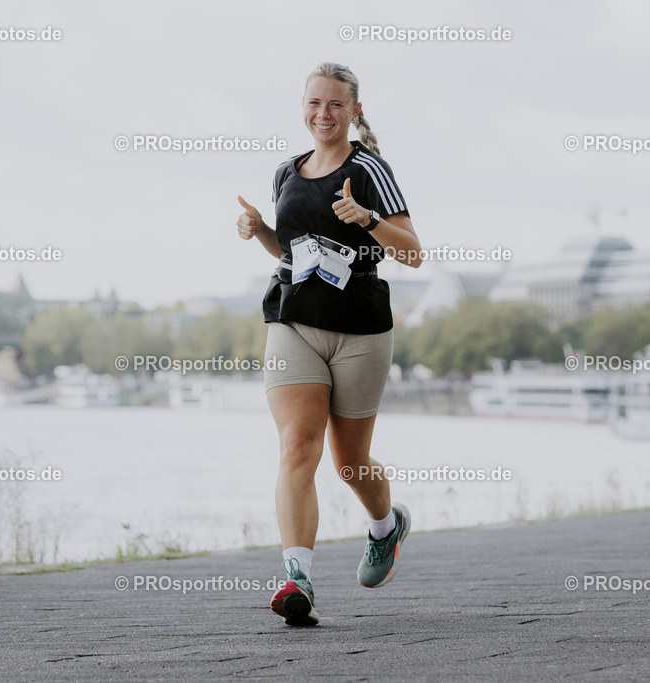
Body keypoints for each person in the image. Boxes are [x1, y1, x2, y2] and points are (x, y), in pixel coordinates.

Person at [236, 62, 423, 627]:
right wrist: (260, 233)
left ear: (354, 112)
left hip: (360, 329)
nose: (324, 114)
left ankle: (385, 527)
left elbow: (412, 252)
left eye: (336, 105)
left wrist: (367, 220)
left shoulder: (370, 169)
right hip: (293, 320)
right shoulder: (285, 172)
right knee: (298, 446)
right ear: (303, 107)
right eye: (314, 103)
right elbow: (293, 252)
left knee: (350, 463)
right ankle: (298, 579)